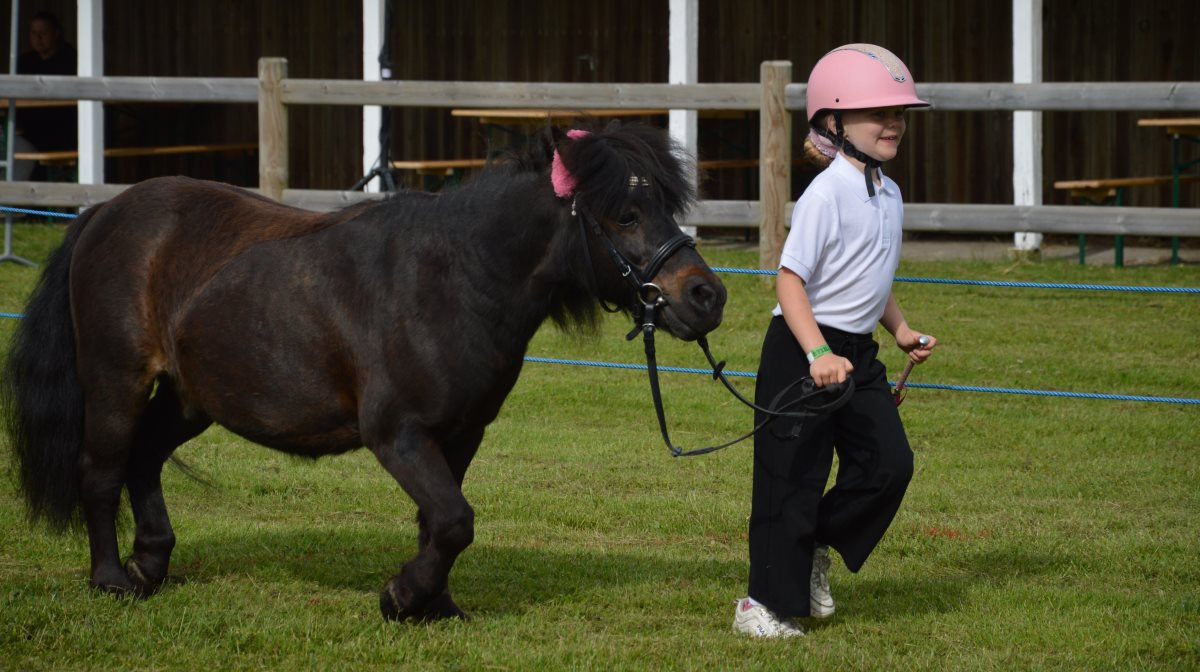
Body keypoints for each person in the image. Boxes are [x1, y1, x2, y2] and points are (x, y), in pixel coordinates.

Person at [732, 43, 938, 638]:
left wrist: (898, 329)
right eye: (880, 113)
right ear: (834, 122)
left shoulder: (890, 193)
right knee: (791, 477)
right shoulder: (826, 193)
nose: (894, 123)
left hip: (859, 353)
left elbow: (872, 274)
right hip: (802, 350)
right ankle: (762, 605)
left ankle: (819, 545)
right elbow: (790, 279)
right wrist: (818, 353)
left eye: (899, 113)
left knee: (889, 464)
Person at [11, 10, 77, 180]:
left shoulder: (71, 60)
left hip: (61, 133)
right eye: (34, 33)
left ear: (56, 34)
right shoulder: (24, 63)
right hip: (27, 132)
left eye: (43, 32)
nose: (38, 38)